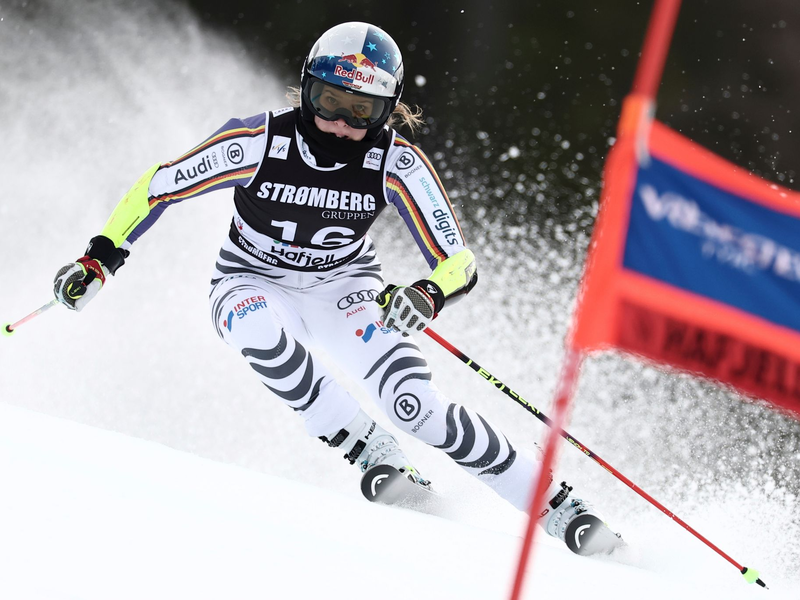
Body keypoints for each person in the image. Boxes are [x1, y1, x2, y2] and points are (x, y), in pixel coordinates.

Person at [52, 22, 621, 555]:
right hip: (249, 279)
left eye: (362, 111)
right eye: (329, 102)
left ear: (387, 111)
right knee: (257, 328)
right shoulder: (258, 141)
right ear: (307, 89)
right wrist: (100, 258)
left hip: (343, 288)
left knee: (415, 408)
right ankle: (369, 448)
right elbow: (159, 186)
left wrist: (426, 294)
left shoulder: (395, 163)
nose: (341, 124)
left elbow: (458, 262)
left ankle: (559, 507)